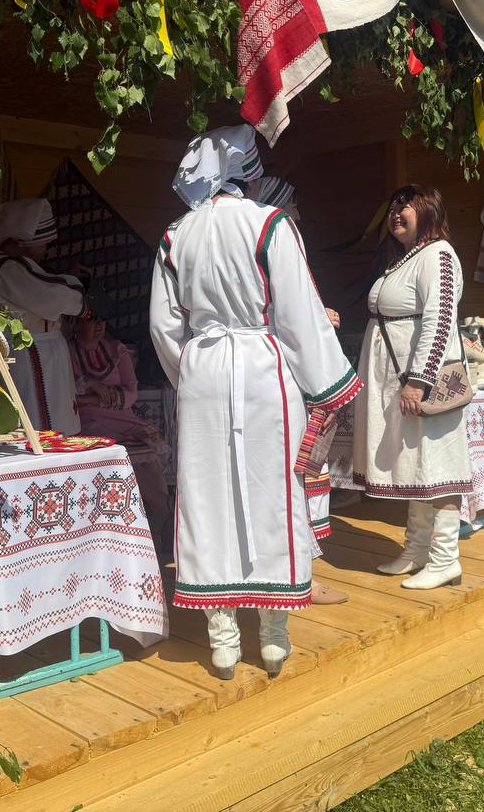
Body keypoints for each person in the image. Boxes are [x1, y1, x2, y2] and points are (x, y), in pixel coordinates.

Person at [150, 126, 362, 680]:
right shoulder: (270, 225)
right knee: (276, 489)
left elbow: (163, 328)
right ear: (247, 173)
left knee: (205, 496)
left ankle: (221, 638)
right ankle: (272, 635)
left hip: (204, 368)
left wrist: (192, 375)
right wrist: (327, 386)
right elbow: (298, 314)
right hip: (265, 367)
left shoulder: (175, 236)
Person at [353, 184, 471, 590]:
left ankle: (445, 558)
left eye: (406, 206)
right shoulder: (406, 259)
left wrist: (418, 382)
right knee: (417, 464)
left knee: (437, 466)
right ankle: (417, 549)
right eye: (392, 206)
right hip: (397, 378)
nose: (396, 212)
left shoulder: (438, 254)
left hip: (421, 380)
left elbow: (439, 322)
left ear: (428, 211)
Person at [256, 175, 348, 606]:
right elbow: (289, 310)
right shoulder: (279, 238)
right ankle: (300, 575)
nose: (299, 214)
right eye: (292, 204)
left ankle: (296, 567)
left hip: (270, 369)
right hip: (286, 372)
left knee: (295, 469)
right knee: (297, 469)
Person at [69, 291, 173, 556]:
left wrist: (98, 396)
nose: (99, 325)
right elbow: (68, 394)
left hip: (124, 421)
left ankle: (159, 530)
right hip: (87, 424)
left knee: (149, 454)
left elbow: (131, 394)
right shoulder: (64, 351)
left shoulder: (117, 350)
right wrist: (94, 389)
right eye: (92, 319)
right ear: (76, 322)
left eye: (103, 320)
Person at [0, 198, 84, 434]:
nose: (45, 250)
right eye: (42, 243)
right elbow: (48, 296)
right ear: (22, 241)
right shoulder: (4, 268)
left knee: (51, 419)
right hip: (29, 354)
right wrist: (78, 290)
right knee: (36, 421)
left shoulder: (11, 266)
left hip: (39, 352)